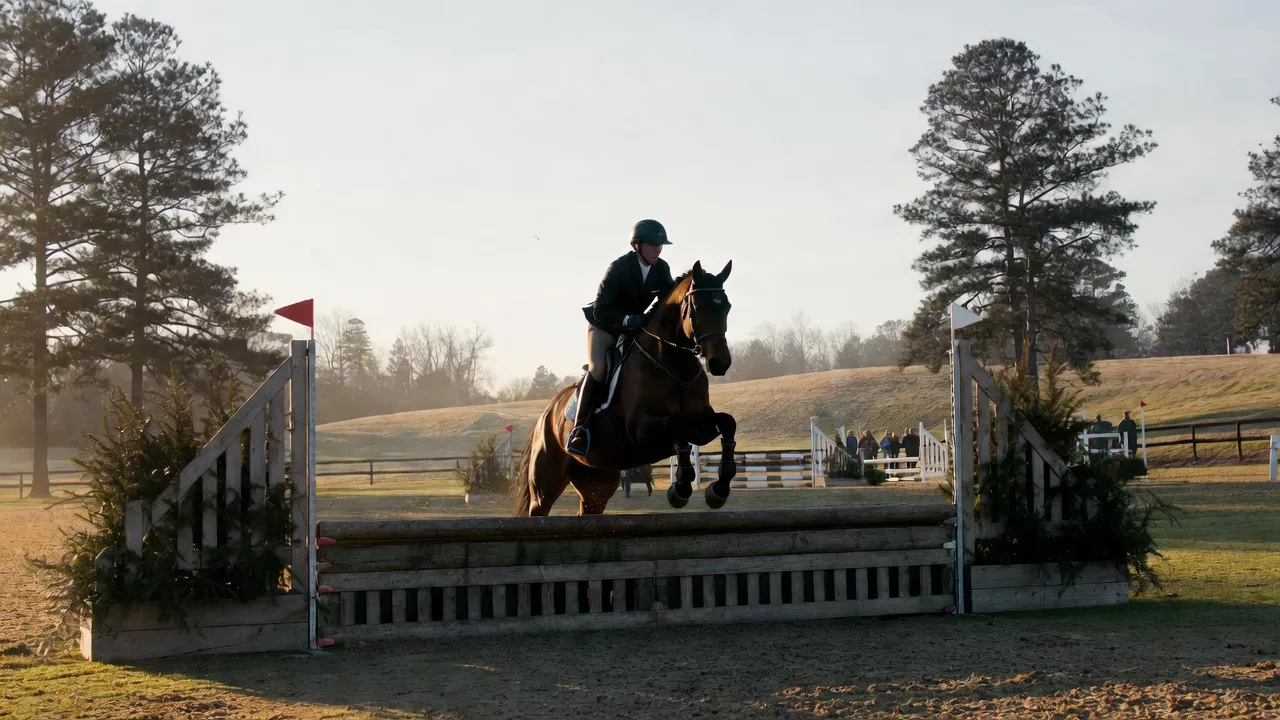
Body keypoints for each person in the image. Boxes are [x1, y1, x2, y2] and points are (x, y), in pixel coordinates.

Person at [566, 219, 676, 456]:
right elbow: (601, 309)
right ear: (637, 245)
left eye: (661, 244)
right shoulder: (619, 268)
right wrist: (628, 319)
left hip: (635, 330)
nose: (658, 248)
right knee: (599, 370)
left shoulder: (662, 269)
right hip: (605, 327)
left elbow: (667, 303)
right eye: (653, 244)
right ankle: (579, 429)